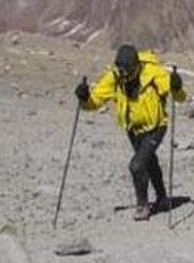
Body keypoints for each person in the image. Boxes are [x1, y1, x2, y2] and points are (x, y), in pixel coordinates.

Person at [75, 44, 186, 221]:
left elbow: (178, 96)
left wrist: (177, 86)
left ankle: (142, 207)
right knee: (149, 162)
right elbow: (94, 102)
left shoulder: (154, 73)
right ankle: (163, 199)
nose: (125, 76)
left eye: (128, 71)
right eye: (121, 71)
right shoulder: (115, 77)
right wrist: (84, 98)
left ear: (137, 66)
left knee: (137, 165)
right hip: (133, 130)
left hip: (156, 126)